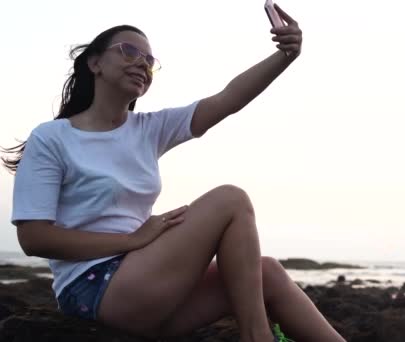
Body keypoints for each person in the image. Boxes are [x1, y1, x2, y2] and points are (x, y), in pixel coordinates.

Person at [2, 5, 346, 342]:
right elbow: (34, 239)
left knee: (266, 272)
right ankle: (257, 336)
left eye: (149, 61)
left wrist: (285, 56)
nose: (141, 63)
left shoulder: (148, 129)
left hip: (147, 287)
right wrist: (131, 241)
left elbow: (228, 98)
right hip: (93, 287)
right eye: (129, 51)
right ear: (95, 63)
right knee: (231, 199)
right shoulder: (52, 138)